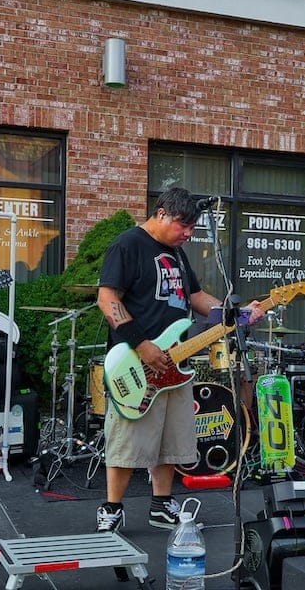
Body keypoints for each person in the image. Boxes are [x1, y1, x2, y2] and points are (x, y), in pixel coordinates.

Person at [95, 187, 263, 532]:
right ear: (161, 214)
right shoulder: (128, 244)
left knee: (171, 440)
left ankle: (161, 505)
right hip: (138, 360)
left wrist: (238, 314)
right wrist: (141, 344)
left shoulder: (178, 255)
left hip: (176, 361)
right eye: (183, 225)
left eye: (192, 227)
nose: (188, 233)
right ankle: (112, 508)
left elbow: (196, 297)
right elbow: (107, 298)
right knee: (127, 440)